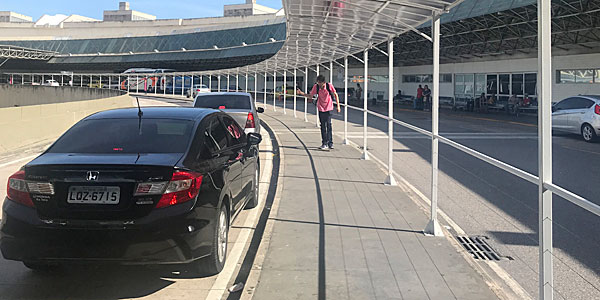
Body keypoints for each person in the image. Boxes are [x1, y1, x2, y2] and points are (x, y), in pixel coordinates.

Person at [297, 75, 341, 150]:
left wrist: (338, 105)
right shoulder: (316, 87)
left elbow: (335, 94)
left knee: (329, 125)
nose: (320, 85)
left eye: (321, 83)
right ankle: (324, 143)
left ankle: (330, 143)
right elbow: (311, 96)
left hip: (329, 107)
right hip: (321, 108)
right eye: (318, 83)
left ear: (324, 82)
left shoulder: (329, 86)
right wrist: (301, 93)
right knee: (323, 126)